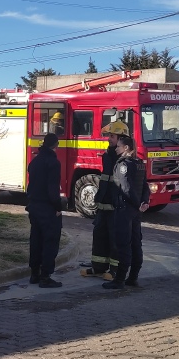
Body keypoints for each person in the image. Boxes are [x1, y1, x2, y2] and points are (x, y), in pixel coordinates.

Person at [81, 120, 130, 281]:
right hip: (103, 202)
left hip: (116, 205)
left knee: (115, 237)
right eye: (109, 135)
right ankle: (98, 267)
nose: (109, 138)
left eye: (112, 136)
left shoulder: (124, 160)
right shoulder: (108, 155)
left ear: (121, 138)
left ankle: (115, 270)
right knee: (99, 235)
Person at [103, 135, 151, 290]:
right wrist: (144, 203)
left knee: (124, 244)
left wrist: (138, 204)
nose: (115, 148)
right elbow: (145, 187)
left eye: (118, 146)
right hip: (136, 211)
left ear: (126, 148)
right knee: (136, 243)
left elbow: (126, 188)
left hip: (125, 209)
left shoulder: (123, 165)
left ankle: (119, 280)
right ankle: (133, 278)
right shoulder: (139, 164)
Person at [26, 132, 64, 288]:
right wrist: (58, 207)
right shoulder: (53, 163)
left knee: (36, 240)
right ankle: (45, 276)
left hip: (34, 206)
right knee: (50, 241)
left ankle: (34, 273)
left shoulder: (35, 161)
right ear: (55, 145)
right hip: (47, 208)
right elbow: (52, 189)